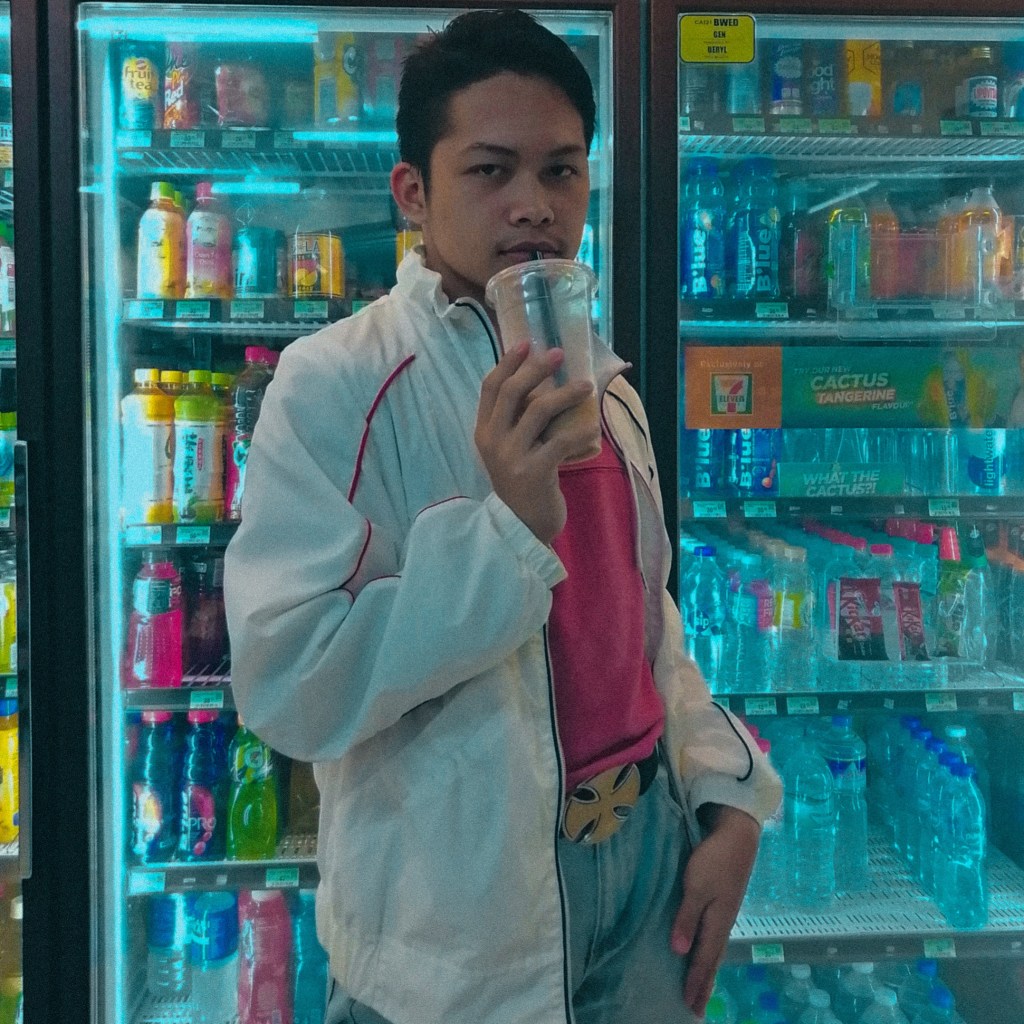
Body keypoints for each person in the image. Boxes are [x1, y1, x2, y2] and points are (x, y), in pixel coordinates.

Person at [224, 10, 780, 1024]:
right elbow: (287, 684)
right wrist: (507, 531)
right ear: (412, 193)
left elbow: (646, 628)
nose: (534, 205)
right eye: (490, 170)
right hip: (451, 941)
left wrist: (726, 793)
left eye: (562, 171)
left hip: (646, 873)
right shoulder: (335, 385)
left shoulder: (608, 386)